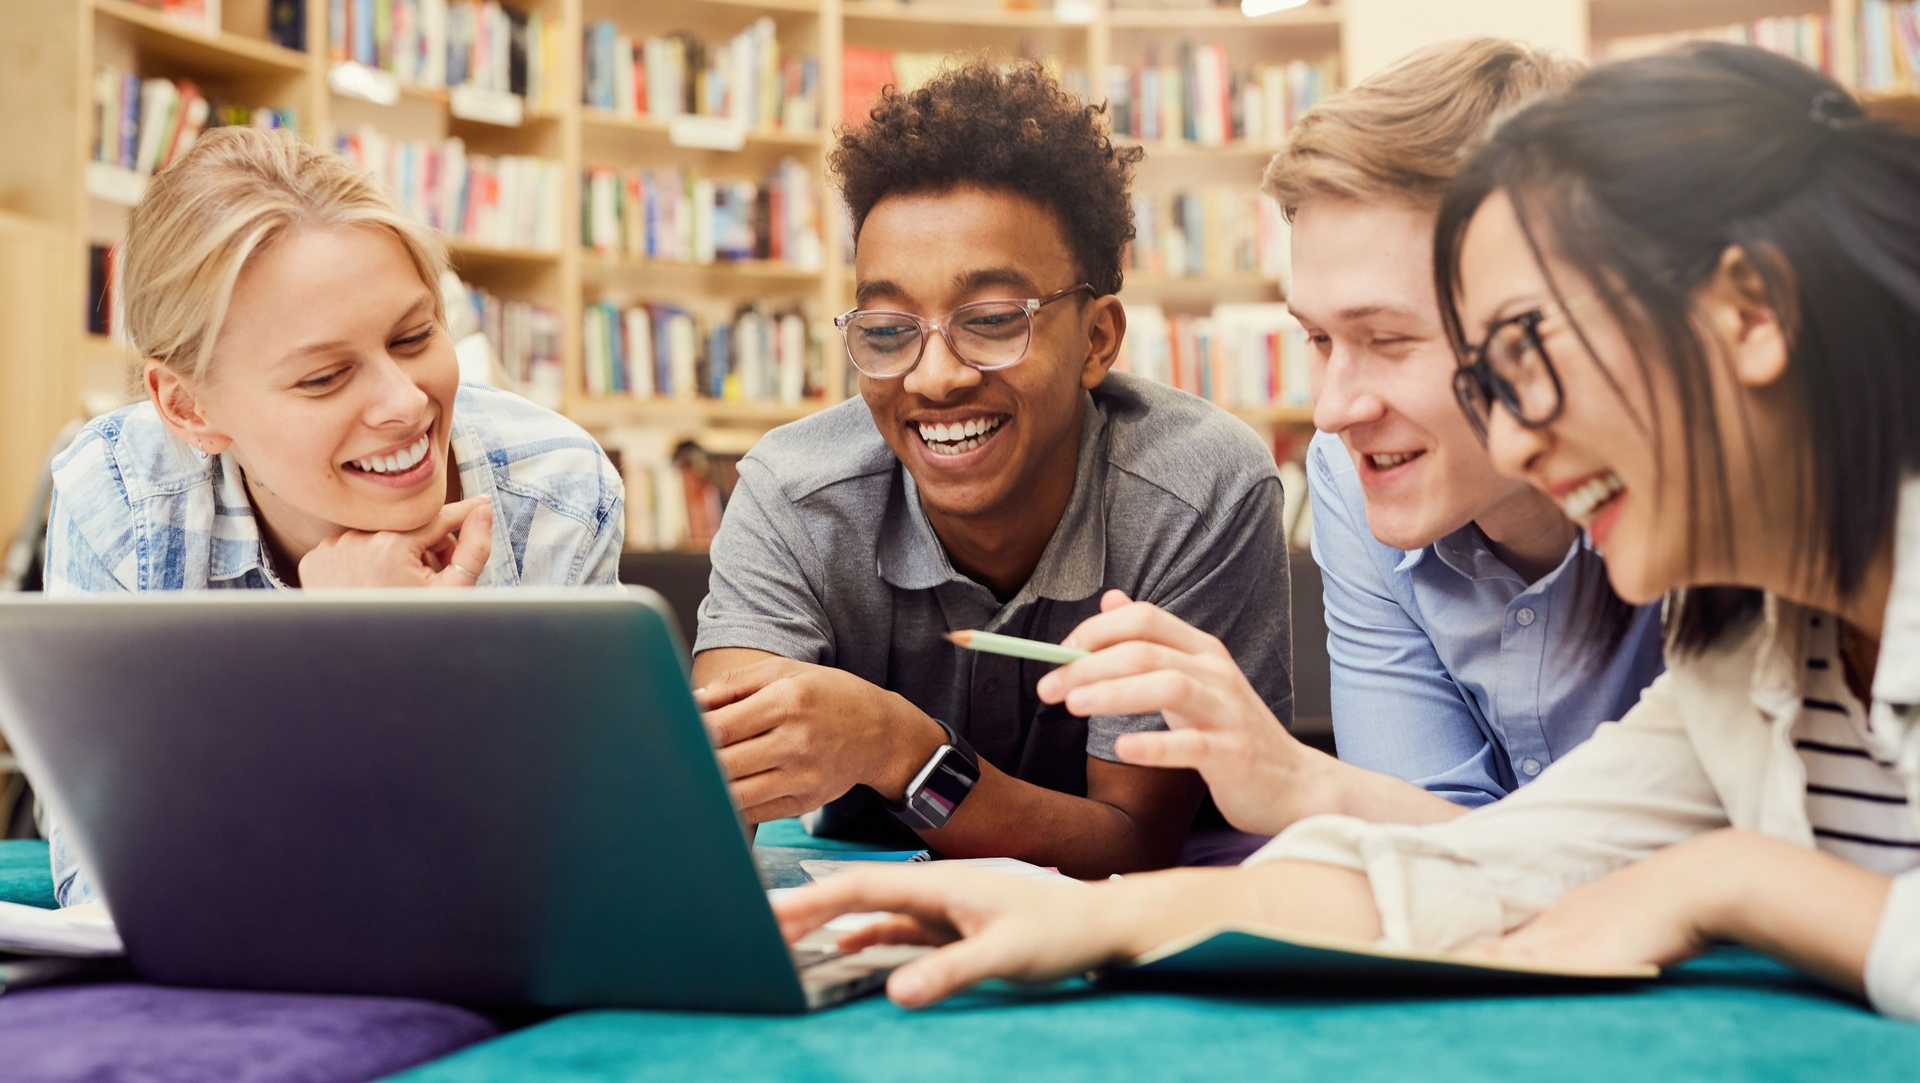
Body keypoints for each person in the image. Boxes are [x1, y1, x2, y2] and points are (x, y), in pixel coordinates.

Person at [772, 45, 1920, 1022]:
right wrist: (1086, 916)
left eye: (1529, 353)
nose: (1517, 437)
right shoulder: (1744, 648)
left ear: (1750, 313)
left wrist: (1737, 880)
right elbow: (1484, 866)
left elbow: (1650, 872)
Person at [1030, 39, 1662, 843]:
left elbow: (1724, 865)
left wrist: (1304, 785)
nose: (1330, 412)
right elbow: (1434, 848)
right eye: (1320, 340)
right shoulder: (1349, 473)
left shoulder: (1709, 507)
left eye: (1389, 340)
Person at [691, 58, 1291, 879]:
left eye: (994, 319)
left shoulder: (1198, 492)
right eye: (889, 327)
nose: (935, 378)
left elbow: (1129, 845)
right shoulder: (794, 492)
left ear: (1097, 341)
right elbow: (710, 810)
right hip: (877, 917)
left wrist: (897, 746)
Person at [44, 126, 625, 905]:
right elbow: (109, 886)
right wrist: (340, 662)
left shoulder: (553, 491)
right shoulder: (119, 499)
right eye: (324, 377)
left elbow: (573, 866)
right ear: (187, 407)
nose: (405, 402)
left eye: (415, 336)